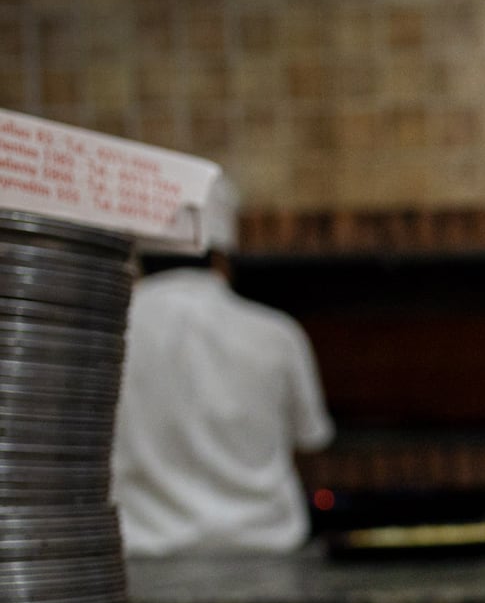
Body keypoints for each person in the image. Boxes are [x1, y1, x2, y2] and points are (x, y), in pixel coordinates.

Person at [112, 230, 334, 556]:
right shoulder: (277, 333)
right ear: (221, 260)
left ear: (139, 261)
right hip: (266, 548)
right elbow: (310, 446)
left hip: (141, 549)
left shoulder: (110, 331)